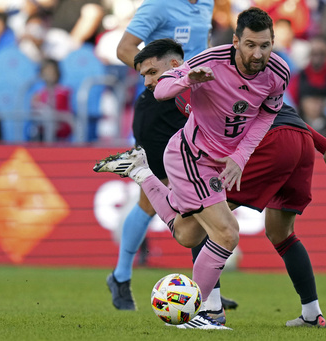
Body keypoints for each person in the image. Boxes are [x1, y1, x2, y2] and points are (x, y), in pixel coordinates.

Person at [94, 40, 326, 329]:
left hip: (268, 148)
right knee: (280, 232)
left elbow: (248, 119)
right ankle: (311, 313)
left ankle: (209, 310)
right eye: (144, 76)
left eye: (151, 73)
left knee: (197, 228)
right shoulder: (216, 78)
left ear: (173, 66)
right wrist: (323, 145)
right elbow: (274, 109)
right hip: (299, 143)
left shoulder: (199, 85)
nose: (148, 82)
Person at [97, 7, 290, 330]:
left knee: (189, 235)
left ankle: (141, 172)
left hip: (217, 158)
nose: (258, 54)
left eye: (265, 45)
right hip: (189, 155)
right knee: (227, 232)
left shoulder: (279, 72)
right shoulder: (209, 60)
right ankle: (201, 311)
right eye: (250, 45)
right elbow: (159, 89)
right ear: (235, 41)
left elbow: (266, 116)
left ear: (273, 42)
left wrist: (240, 156)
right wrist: (187, 78)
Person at [104, 0, 218, 314]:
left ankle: (208, 290)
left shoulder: (206, 4)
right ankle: (121, 275)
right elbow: (125, 48)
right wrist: (164, 78)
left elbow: (200, 48)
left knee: (200, 194)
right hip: (159, 109)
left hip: (191, 106)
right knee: (152, 199)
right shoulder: (158, 5)